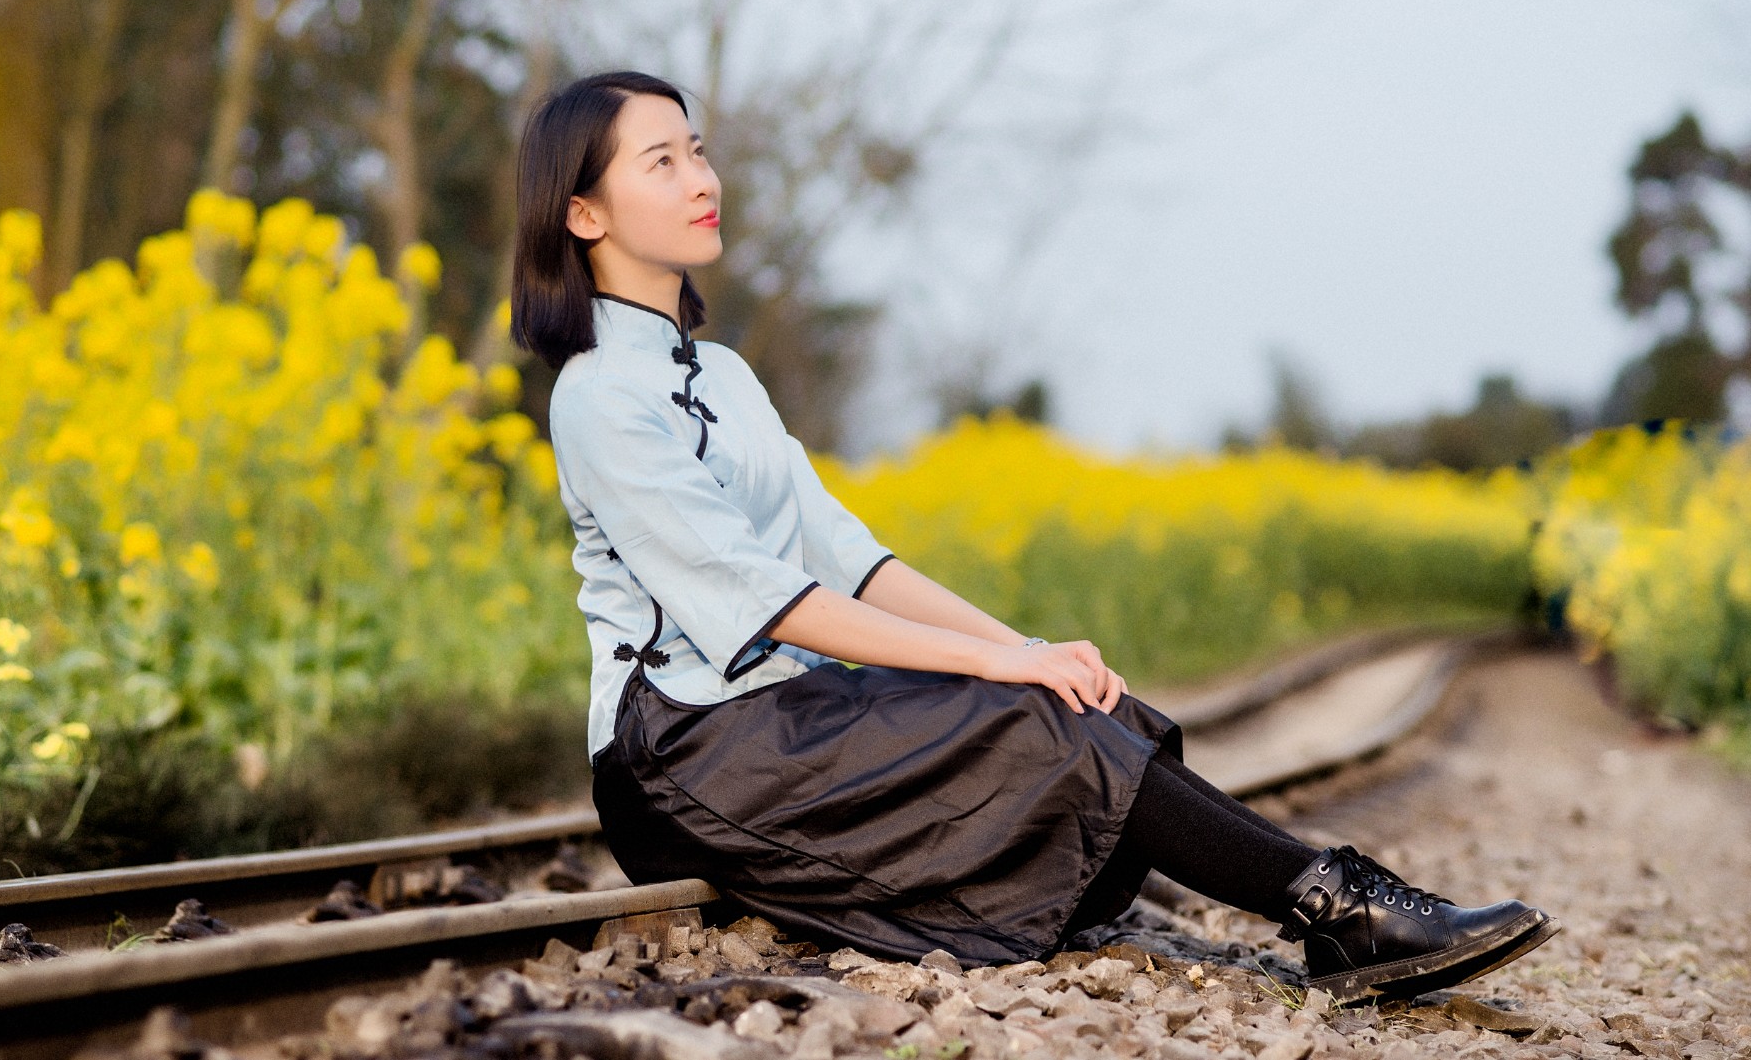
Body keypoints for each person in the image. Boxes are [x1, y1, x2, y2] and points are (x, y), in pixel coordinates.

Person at [511, 70, 1558, 1001]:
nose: (702, 177)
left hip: (779, 718)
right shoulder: (598, 397)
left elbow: (849, 559)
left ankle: (1336, 906)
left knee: (1079, 702)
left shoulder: (727, 376)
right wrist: (994, 665)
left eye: (697, 149)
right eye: (661, 160)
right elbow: (764, 598)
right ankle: (1340, 910)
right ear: (583, 213)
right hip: (684, 753)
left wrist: (1027, 650)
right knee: (1036, 722)